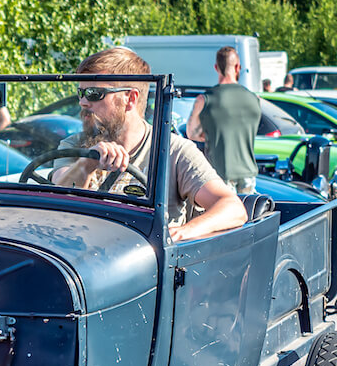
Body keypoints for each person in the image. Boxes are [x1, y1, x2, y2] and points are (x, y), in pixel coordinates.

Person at [52, 47, 247, 242]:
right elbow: (56, 204)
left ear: (130, 98)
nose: (83, 102)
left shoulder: (173, 150)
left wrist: (182, 232)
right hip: (83, 256)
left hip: (147, 263)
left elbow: (232, 207)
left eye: (94, 93)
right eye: (81, 93)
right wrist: (86, 165)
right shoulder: (75, 145)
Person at [186, 46, 261, 195]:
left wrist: (209, 133)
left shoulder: (205, 99)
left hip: (219, 173)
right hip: (249, 173)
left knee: (226, 216)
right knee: (247, 215)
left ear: (216, 67)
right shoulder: (254, 99)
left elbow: (192, 134)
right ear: (238, 67)